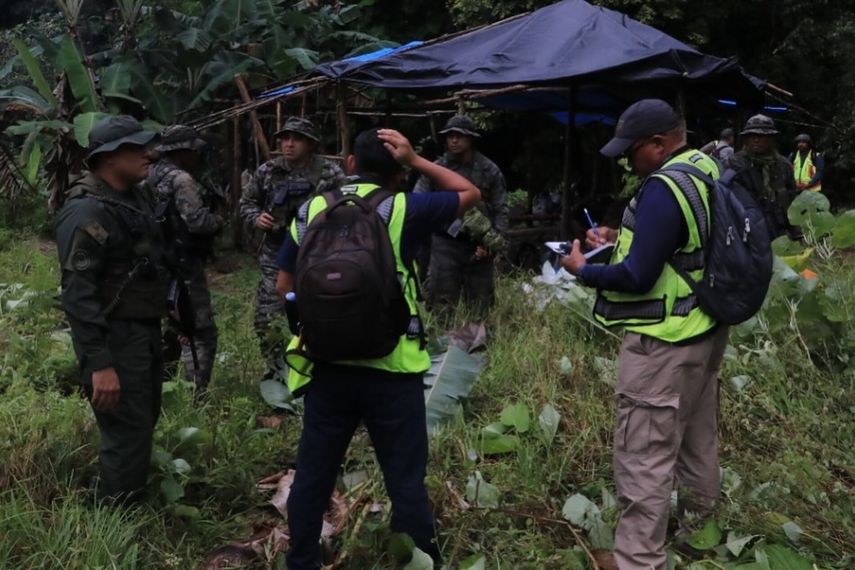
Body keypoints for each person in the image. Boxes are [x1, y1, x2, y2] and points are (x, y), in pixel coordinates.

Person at [274, 128, 481, 569]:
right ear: (398, 172)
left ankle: (301, 561)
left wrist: (320, 326)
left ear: (349, 164)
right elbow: (470, 192)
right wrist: (419, 161)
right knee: (404, 480)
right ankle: (419, 560)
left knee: (313, 475)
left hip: (326, 366)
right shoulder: (403, 207)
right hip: (393, 366)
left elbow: (283, 284)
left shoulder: (310, 208)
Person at [561, 99, 729, 570]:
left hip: (665, 343)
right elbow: (684, 244)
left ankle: (638, 560)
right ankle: (701, 535)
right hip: (706, 330)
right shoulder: (704, 167)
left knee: (644, 456)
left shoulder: (662, 187)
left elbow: (637, 277)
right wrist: (620, 238)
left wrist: (581, 270)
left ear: (658, 145)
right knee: (698, 440)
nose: (626, 161)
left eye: (631, 151)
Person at [55, 115, 167, 504]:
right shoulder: (87, 212)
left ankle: (124, 495)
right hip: (115, 336)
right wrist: (100, 363)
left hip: (143, 329)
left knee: (141, 419)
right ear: (108, 158)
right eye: (135, 148)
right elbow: (77, 294)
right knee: (128, 428)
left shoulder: (133, 197)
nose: (147, 154)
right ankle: (115, 515)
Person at [239, 117, 346, 383]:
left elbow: (347, 207)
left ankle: (321, 370)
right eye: (284, 138)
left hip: (318, 255)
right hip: (275, 255)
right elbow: (246, 203)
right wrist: (257, 218)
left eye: (296, 138)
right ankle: (277, 373)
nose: (288, 144)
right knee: (267, 317)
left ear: (310, 143)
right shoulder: (267, 171)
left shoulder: (329, 173)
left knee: (322, 314)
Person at [147, 125, 223, 392]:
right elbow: (197, 222)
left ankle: (161, 384)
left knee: (167, 324)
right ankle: (195, 391)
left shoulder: (147, 174)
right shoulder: (181, 180)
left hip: (154, 262)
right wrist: (218, 220)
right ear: (184, 151)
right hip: (183, 264)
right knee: (200, 330)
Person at [413, 115, 507, 317]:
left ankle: (478, 343)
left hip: (479, 245)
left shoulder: (489, 170)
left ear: (471, 139)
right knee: (441, 302)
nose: (454, 140)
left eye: (460, 136)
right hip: (445, 242)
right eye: (450, 136)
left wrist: (493, 243)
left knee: (480, 305)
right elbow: (418, 201)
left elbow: (500, 209)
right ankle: (443, 344)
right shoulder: (436, 169)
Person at [730, 114, 799, 239]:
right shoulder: (735, 164)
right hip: (747, 232)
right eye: (751, 136)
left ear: (771, 139)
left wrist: (796, 232)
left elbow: (792, 202)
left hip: (779, 232)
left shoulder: (783, 166)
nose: (756, 140)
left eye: (761, 136)